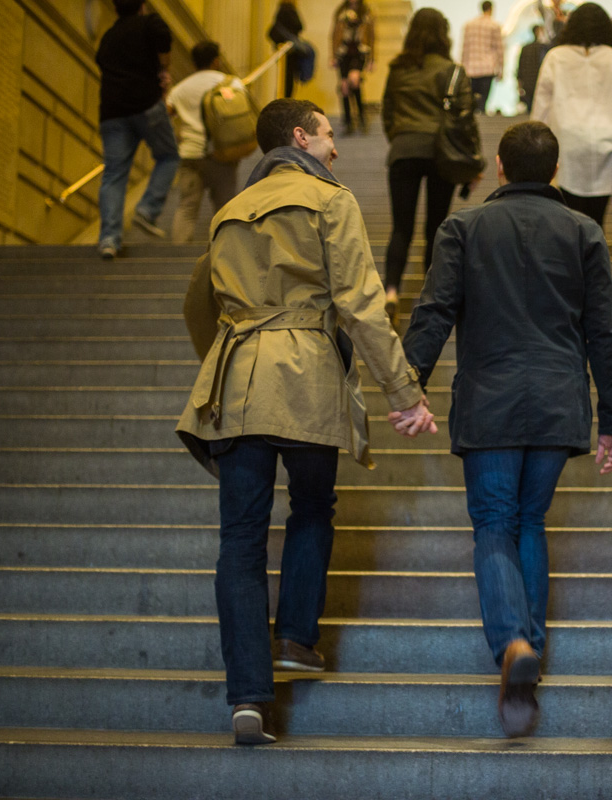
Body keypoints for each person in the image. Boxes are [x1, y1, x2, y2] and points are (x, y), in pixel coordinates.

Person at [176, 98, 435, 745]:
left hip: (236, 381)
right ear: (301, 136)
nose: (336, 148)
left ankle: (247, 698)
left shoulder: (230, 209)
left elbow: (196, 304)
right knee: (313, 507)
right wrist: (404, 393)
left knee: (238, 541)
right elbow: (361, 305)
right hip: (306, 376)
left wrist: (231, 355)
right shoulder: (329, 199)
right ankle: (294, 636)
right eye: (328, 135)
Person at [400, 121, 612, 737]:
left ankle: (512, 645)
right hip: (558, 402)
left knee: (495, 523)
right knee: (529, 520)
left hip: (491, 401)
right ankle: (528, 650)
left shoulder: (464, 228)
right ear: (555, 172)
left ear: (499, 167)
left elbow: (435, 311)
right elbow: (603, 332)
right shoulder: (584, 230)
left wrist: (408, 386)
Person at [381, 8, 479, 326]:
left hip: (403, 150)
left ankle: (391, 292)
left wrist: (400, 138)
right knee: (435, 228)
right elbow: (464, 118)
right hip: (440, 153)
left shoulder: (398, 69)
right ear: (443, 34)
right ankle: (428, 297)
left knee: (401, 227)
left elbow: (387, 113)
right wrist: (473, 161)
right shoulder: (451, 70)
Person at [532, 2, 612, 229]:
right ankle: (595, 259)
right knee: (596, 219)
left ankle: (572, 259)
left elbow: (542, 104)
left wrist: (535, 140)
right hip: (607, 144)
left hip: (567, 142)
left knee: (570, 215)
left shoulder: (556, 57)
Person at [95, 0, 180, 259]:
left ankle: (109, 239)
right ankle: (147, 209)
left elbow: (101, 61)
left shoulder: (109, 36)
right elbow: (164, 37)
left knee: (114, 174)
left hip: (112, 112)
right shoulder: (149, 23)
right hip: (145, 105)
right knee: (169, 156)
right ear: (142, 5)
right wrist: (162, 67)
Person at [166, 41, 244, 243]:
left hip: (191, 156)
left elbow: (166, 116)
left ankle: (177, 256)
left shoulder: (180, 89)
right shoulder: (232, 84)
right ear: (216, 61)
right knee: (225, 209)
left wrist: (177, 136)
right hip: (222, 155)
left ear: (194, 63)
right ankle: (225, 253)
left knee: (187, 208)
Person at [331, 0, 375, 135]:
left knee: (355, 81)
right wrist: (332, 56)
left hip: (359, 53)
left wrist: (372, 59)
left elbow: (372, 37)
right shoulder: (340, 12)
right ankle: (348, 121)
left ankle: (361, 118)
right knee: (344, 87)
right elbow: (333, 35)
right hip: (343, 53)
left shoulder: (366, 12)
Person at [461, 1, 503, 114]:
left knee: (472, 99)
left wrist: (462, 67)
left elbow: (465, 48)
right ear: (491, 9)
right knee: (483, 101)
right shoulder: (494, 25)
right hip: (487, 67)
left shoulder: (469, 25)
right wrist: (501, 69)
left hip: (471, 68)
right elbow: (499, 49)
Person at [268, 1, 304, 98]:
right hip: (288, 51)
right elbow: (299, 26)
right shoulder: (288, 9)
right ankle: (286, 103)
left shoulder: (281, 9)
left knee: (284, 81)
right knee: (287, 81)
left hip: (286, 51)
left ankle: (285, 102)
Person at [516, 25, 547, 113]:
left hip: (528, 82)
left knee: (530, 109)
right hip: (538, 81)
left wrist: (519, 82)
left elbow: (520, 67)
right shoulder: (544, 48)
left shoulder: (526, 48)